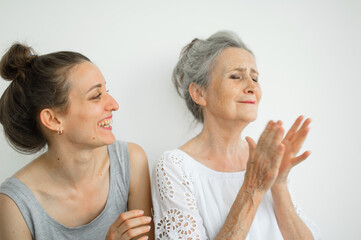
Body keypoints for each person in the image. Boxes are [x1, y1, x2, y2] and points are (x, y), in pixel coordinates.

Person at [151, 31, 321, 239]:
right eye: (236, 76)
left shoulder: (266, 160)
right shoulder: (175, 167)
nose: (252, 87)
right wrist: (253, 188)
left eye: (255, 78)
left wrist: (278, 184)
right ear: (199, 93)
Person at [0, 44, 154, 240]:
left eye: (107, 91)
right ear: (53, 119)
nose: (114, 105)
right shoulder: (14, 203)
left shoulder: (131, 162)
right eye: (96, 96)